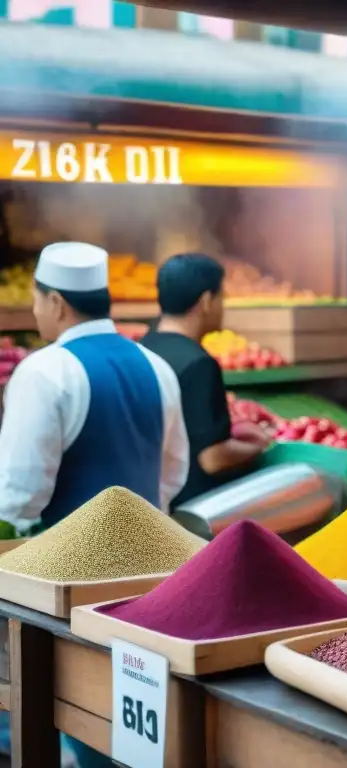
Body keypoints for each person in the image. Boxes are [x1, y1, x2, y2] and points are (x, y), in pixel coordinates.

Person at [0, 242, 189, 767]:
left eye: (37, 302)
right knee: (130, 718)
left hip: (63, 593)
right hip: (154, 583)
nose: (35, 312)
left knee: (63, 713)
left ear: (56, 302)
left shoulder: (44, 372)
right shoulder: (156, 366)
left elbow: (18, 499)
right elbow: (172, 474)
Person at [141, 253, 271, 508]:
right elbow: (213, 459)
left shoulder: (145, 346)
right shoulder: (198, 364)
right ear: (207, 301)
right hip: (192, 508)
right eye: (222, 297)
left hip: (149, 498)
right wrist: (261, 447)